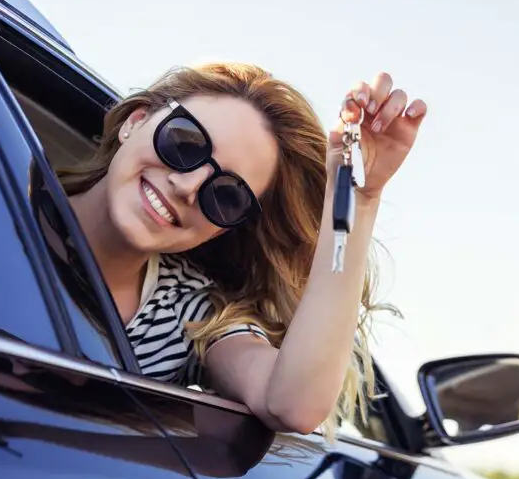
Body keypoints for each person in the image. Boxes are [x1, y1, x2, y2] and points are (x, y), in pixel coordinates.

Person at [55, 64, 427, 438]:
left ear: (225, 229)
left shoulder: (190, 310)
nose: (188, 186)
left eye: (226, 195)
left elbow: (291, 405)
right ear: (135, 121)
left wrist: (358, 198)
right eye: (184, 142)